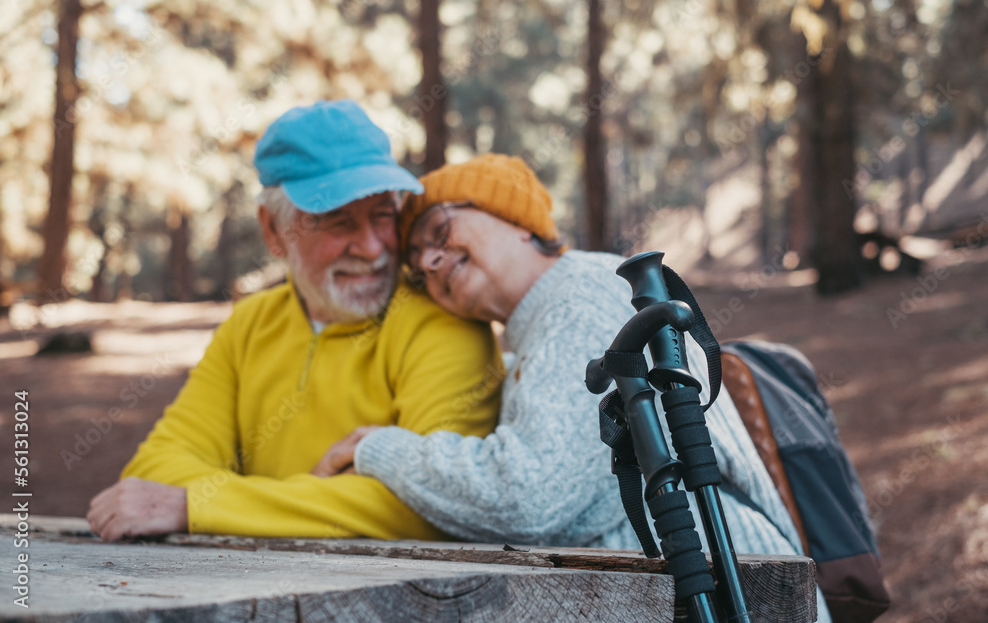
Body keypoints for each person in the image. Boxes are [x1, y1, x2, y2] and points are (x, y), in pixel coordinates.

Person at [317, 153, 831, 622]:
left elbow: (530, 496)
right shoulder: (539, 327)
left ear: (516, 219)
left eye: (438, 228)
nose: (429, 262)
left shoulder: (580, 297)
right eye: (416, 264)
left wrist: (377, 448)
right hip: (687, 587)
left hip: (736, 592)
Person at [86, 100, 503, 541]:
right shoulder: (249, 324)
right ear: (272, 231)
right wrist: (313, 499)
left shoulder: (445, 322)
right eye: (336, 220)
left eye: (383, 214)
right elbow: (154, 471)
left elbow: (435, 503)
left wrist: (202, 506)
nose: (372, 248)